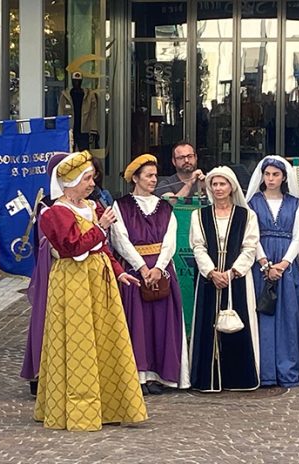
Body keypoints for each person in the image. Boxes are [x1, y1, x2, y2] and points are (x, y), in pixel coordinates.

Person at [33, 150, 147, 431]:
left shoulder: (92, 206)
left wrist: (119, 272)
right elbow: (71, 247)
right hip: (73, 282)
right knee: (78, 341)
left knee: (105, 340)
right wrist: (100, 226)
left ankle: (108, 404)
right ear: (70, 181)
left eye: (92, 178)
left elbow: (102, 247)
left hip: (99, 279)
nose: (91, 184)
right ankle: (79, 408)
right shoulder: (54, 213)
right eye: (86, 179)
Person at [110, 154, 190, 394]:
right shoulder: (121, 205)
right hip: (135, 272)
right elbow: (119, 238)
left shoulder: (165, 206)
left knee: (162, 322)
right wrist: (142, 268)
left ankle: (160, 375)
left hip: (161, 270)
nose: (154, 180)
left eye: (155, 175)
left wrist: (159, 267)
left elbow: (170, 239)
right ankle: (138, 375)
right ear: (135, 178)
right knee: (137, 323)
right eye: (149, 175)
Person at [189, 166, 260, 392]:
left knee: (239, 326)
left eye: (223, 184)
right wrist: (211, 272)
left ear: (232, 187)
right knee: (208, 325)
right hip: (209, 279)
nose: (218, 189)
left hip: (237, 279)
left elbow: (250, 246)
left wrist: (232, 272)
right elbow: (198, 247)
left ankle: (238, 378)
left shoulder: (246, 215)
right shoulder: (199, 215)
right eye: (215, 184)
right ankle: (208, 379)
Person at [245, 156, 299, 387]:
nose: (270, 179)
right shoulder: (253, 203)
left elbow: (298, 235)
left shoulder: (295, 203)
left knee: (290, 316)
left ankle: (287, 369)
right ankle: (265, 371)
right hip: (261, 263)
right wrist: (265, 264)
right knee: (264, 314)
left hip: (287, 266)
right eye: (267, 174)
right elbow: (252, 235)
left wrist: (284, 263)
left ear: (283, 177)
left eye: (275, 175)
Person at [20, 154, 63, 396]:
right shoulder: (47, 204)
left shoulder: (86, 202)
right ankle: (42, 372)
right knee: (47, 318)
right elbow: (44, 238)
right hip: (52, 267)